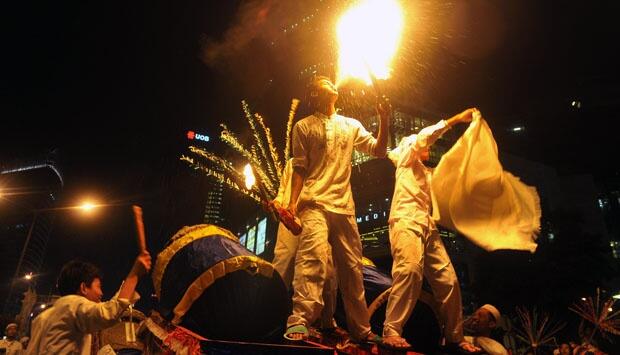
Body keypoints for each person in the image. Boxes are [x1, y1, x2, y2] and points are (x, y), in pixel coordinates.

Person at [283, 75, 390, 343]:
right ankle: (299, 322)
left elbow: (378, 150)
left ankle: (362, 331)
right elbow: (299, 168)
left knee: (353, 270)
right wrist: (291, 204)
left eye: (331, 82)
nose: (331, 84)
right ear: (314, 95)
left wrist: (385, 118)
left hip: (344, 207)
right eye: (322, 83)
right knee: (313, 261)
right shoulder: (303, 126)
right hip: (314, 204)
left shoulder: (351, 125)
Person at [381, 108, 482, 354]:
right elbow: (425, 136)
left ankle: (455, 337)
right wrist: (456, 119)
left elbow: (452, 179)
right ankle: (392, 330)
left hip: (427, 225)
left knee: (448, 281)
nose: (427, 147)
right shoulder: (406, 157)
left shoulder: (425, 173)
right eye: (422, 144)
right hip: (405, 221)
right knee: (409, 270)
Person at [26, 252, 151, 354]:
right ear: (83, 288)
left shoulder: (43, 317)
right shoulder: (73, 304)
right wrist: (134, 274)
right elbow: (110, 311)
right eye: (98, 287)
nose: (101, 293)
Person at [270, 158, 342, 336]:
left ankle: (327, 322)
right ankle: (268, 312)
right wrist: (277, 202)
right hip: (291, 217)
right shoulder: (292, 163)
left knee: (328, 269)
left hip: (320, 217)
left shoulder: (328, 159)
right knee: (283, 263)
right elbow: (282, 190)